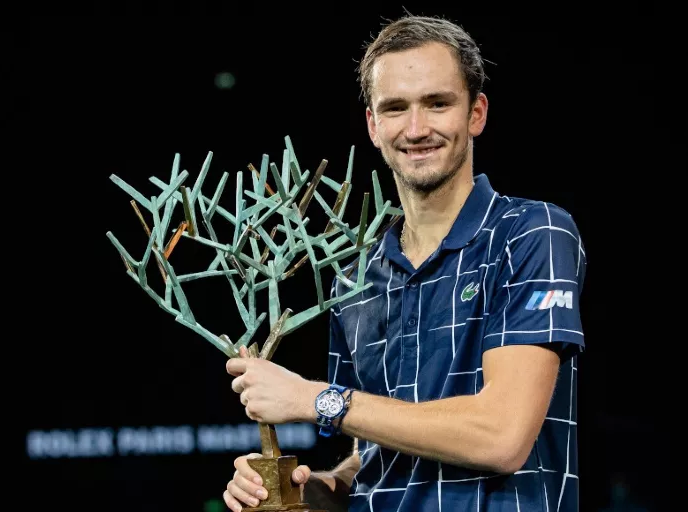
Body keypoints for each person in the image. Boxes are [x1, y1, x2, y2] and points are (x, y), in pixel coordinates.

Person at [222, 14, 586, 512]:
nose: (416, 129)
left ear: (476, 113)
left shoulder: (530, 233)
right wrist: (306, 491)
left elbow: (502, 435)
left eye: (437, 104)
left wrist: (315, 399)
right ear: (373, 125)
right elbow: (370, 458)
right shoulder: (353, 278)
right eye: (395, 108)